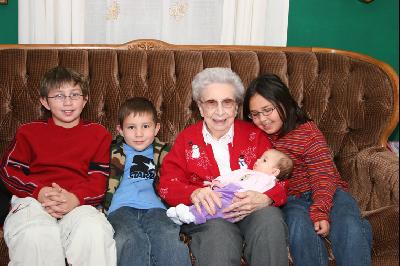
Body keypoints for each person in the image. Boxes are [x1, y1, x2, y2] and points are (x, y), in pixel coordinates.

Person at [157, 67, 289, 266]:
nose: (219, 111)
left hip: (251, 211)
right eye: (211, 103)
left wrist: (267, 197)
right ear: (200, 108)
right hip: (211, 216)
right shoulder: (187, 139)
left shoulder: (255, 135)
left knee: (270, 219)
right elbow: (167, 183)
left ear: (236, 107)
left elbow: (282, 176)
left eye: (227, 102)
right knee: (219, 234)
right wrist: (194, 193)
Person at [243, 73, 373, 266]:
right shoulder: (257, 138)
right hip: (292, 200)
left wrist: (320, 211)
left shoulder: (307, 132)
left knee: (348, 223)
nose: (263, 119)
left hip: (330, 191)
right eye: (255, 114)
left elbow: (323, 174)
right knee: (298, 227)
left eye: (268, 110)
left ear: (284, 103)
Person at [0, 66, 116, 266]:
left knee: (94, 231)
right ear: (44, 101)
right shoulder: (28, 132)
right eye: (59, 96)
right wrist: (39, 191)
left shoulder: (99, 134)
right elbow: (9, 171)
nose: (68, 102)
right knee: (35, 235)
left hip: (79, 203)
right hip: (33, 200)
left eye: (75, 94)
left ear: (85, 99)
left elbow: (99, 179)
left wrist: (74, 198)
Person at [104, 97, 191, 266]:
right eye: (131, 127)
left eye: (145, 126)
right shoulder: (112, 150)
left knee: (168, 237)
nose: (139, 134)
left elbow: (180, 177)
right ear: (120, 130)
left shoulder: (166, 152)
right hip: (120, 209)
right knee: (130, 239)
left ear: (156, 128)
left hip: (156, 209)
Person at [167, 148, 293, 225]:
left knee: (221, 207)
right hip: (226, 190)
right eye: (260, 158)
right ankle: (185, 213)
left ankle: (192, 216)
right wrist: (217, 182)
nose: (258, 160)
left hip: (239, 199)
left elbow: (278, 190)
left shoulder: (268, 179)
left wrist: (267, 197)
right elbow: (232, 175)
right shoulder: (247, 171)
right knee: (212, 200)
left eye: (264, 160)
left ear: (275, 172)